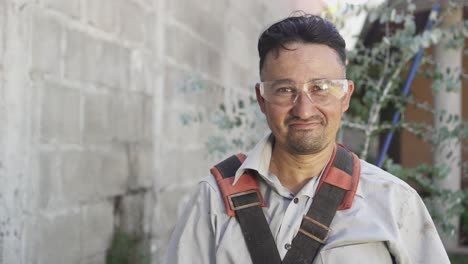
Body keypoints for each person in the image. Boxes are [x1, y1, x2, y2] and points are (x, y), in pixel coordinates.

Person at [164, 14, 450, 264]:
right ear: (261, 99)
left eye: (320, 87)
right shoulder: (214, 199)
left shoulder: (394, 203)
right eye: (285, 90)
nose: (304, 109)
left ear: (346, 96)